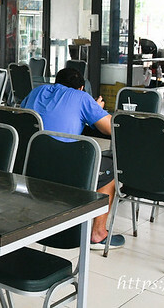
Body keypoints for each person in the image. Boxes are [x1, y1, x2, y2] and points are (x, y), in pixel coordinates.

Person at [20, 66, 124, 250]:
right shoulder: (81, 97)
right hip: (62, 171)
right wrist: (96, 108)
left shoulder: (37, 91)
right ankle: (98, 234)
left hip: (27, 166)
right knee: (111, 170)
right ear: (82, 88)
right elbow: (110, 128)